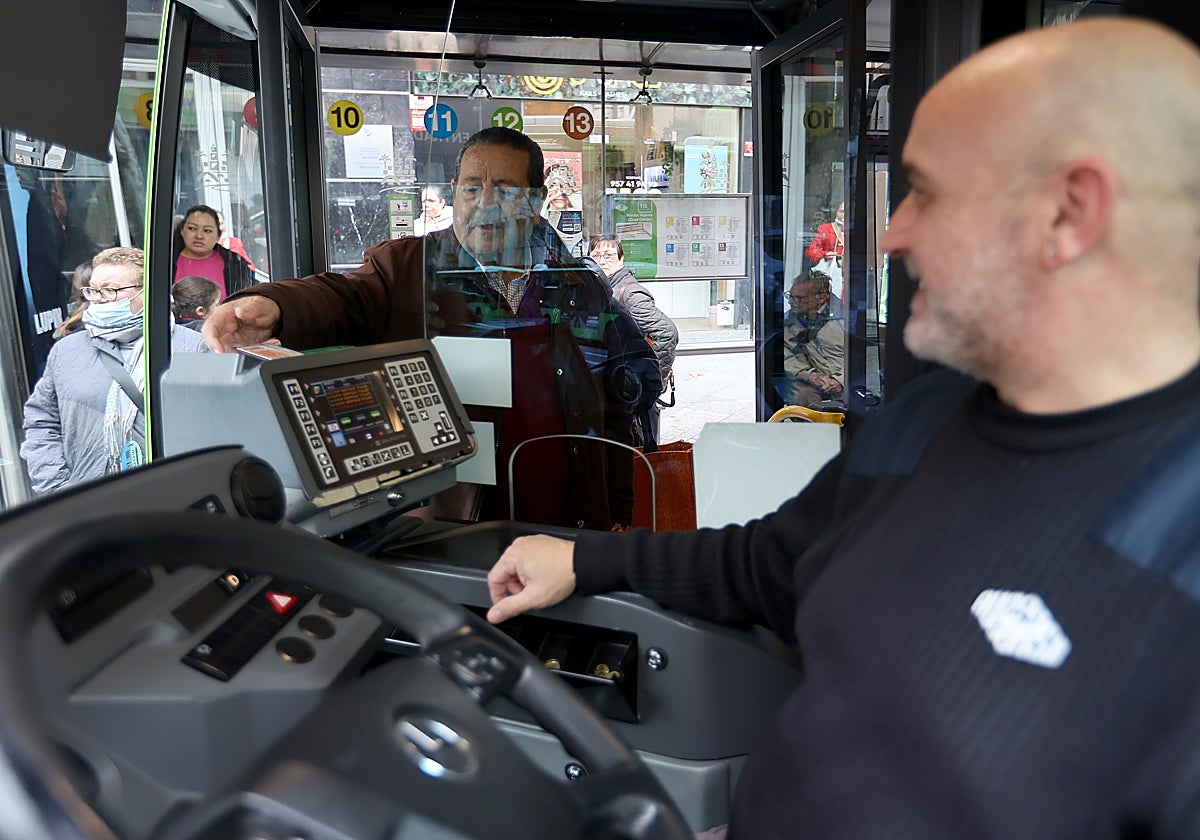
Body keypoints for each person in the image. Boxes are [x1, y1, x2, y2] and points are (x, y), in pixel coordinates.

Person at [484, 18, 1200, 839]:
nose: (891, 234)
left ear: (1069, 212)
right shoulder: (921, 428)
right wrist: (584, 556)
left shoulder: (1179, 535)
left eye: (925, 192)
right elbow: (769, 563)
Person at [203, 127, 652, 530]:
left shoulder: (576, 284)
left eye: (506, 189)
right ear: (455, 192)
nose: (485, 204)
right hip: (461, 530)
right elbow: (343, 296)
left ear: (536, 203)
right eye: (473, 187)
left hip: (569, 527)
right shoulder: (407, 269)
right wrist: (273, 306)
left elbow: (611, 412)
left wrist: (615, 512)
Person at [21, 247, 209, 495]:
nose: (96, 299)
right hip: (86, 503)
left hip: (171, 500)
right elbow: (41, 421)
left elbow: (211, 426)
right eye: (92, 290)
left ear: (147, 292)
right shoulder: (67, 351)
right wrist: (58, 487)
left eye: (110, 290)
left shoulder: (193, 348)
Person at [589, 234, 679, 446]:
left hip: (634, 395)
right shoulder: (606, 288)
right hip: (624, 391)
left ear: (621, 259)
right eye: (596, 255)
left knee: (640, 451)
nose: (602, 260)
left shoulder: (629, 293)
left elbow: (667, 333)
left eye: (609, 255)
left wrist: (652, 379)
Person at [782, 269, 844, 408]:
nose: (791, 302)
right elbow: (783, 353)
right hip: (815, 380)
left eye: (798, 298)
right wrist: (809, 375)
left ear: (821, 298)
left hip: (847, 382)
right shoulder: (790, 320)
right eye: (790, 296)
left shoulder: (847, 318)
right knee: (801, 395)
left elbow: (865, 356)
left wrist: (840, 380)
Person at [172, 204, 256, 299]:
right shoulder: (165, 263)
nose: (199, 236)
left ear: (218, 235)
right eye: (192, 228)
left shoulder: (234, 266)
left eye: (207, 230)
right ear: (182, 231)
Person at [804, 201, 844, 299]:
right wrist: (825, 254)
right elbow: (811, 251)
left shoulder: (856, 229)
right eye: (842, 211)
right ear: (836, 212)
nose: (845, 215)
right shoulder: (825, 229)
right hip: (831, 275)